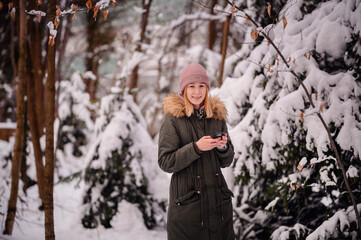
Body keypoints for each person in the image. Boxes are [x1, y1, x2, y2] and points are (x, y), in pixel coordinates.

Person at [158, 63, 235, 240]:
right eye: (191, 87)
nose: (197, 92)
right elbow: (165, 162)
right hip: (188, 208)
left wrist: (223, 147)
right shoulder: (173, 120)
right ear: (184, 89)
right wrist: (196, 148)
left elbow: (226, 161)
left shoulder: (216, 116)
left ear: (207, 88)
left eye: (201, 86)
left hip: (218, 205)